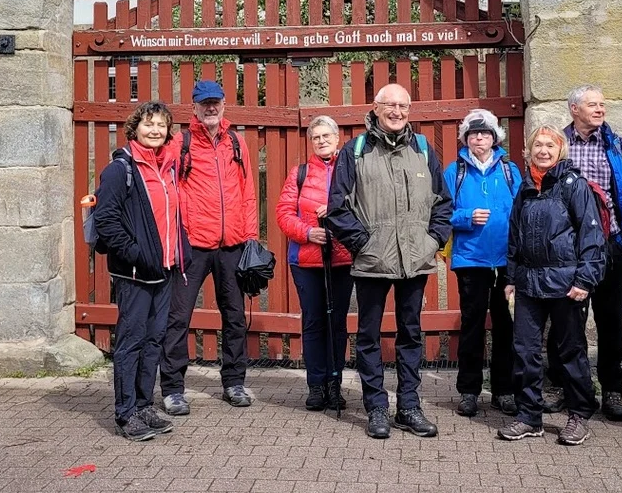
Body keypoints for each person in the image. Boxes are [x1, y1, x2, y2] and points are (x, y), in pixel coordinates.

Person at [328, 83, 453, 439]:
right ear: (376, 107)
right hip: (372, 261)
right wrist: (363, 244)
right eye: (391, 105)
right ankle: (377, 408)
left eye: (403, 106)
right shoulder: (356, 150)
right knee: (368, 336)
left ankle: (409, 407)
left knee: (410, 335)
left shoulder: (424, 148)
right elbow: (338, 207)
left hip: (415, 260)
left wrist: (432, 242)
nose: (397, 112)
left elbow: (442, 202)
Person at [497, 125, 605, 445]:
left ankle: (578, 415)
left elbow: (591, 235)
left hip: (567, 283)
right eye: (538, 146)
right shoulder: (525, 187)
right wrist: (511, 279)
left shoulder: (574, 185)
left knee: (570, 351)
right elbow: (514, 236)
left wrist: (585, 279)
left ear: (561, 151)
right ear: (528, 151)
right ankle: (529, 416)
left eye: (550, 146)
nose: (543, 151)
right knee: (526, 351)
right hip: (529, 283)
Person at [161, 80, 258, 414]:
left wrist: (250, 237)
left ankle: (234, 383)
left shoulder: (236, 142)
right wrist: (178, 233)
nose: (211, 108)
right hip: (193, 244)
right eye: (205, 103)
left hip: (231, 243)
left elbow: (248, 192)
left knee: (234, 316)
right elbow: (163, 182)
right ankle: (173, 388)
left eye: (216, 102)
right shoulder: (180, 142)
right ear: (194, 107)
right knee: (179, 317)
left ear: (224, 104)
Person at [547, 85, 622, 421]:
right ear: (574, 109)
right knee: (566, 321)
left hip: (608, 244)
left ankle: (612, 390)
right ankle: (563, 386)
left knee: (611, 319)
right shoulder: (558, 144)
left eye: (603, 104)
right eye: (592, 105)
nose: (600, 109)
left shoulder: (616, 144)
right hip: (567, 249)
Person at [93, 101, 183, 441]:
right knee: (130, 343)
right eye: (149, 124)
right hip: (134, 273)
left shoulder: (166, 169)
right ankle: (126, 412)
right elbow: (106, 220)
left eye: (161, 125)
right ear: (135, 128)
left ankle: (145, 404)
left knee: (154, 340)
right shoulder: (121, 170)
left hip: (165, 270)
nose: (155, 130)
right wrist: (137, 254)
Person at [443, 109, 522, 418]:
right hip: (470, 260)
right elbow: (441, 212)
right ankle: (469, 391)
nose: (479, 137)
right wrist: (465, 217)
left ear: (495, 138)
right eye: (474, 133)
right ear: (465, 138)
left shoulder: (510, 170)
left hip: (505, 261)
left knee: (506, 327)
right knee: (472, 326)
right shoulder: (455, 172)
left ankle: (504, 390)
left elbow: (522, 210)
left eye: (485, 133)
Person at [276, 115, 355, 411]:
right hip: (306, 262)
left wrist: (335, 214)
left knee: (337, 324)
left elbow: (360, 207)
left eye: (327, 136)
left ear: (337, 139)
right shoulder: (300, 173)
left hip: (341, 260)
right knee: (313, 322)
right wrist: (308, 232)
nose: (322, 141)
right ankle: (316, 385)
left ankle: (335, 384)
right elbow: (284, 214)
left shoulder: (349, 171)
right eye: (316, 137)